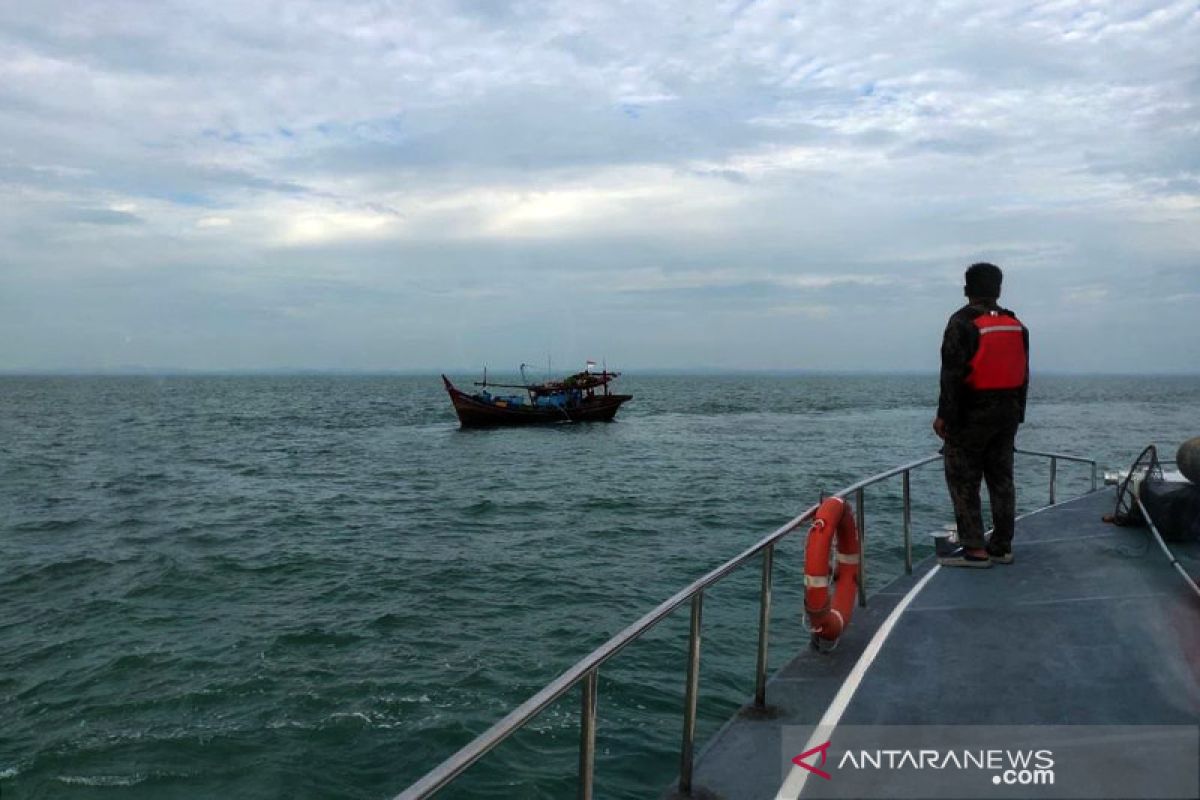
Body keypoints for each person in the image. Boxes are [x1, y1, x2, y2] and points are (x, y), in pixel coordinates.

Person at [933, 263, 1029, 568]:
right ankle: (1002, 546)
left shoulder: (961, 322)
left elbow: (952, 375)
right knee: (1002, 480)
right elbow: (1024, 375)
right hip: (1008, 414)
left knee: (963, 478)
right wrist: (1018, 416)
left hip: (971, 414)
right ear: (998, 290)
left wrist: (944, 417)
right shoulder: (1016, 325)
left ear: (966, 290)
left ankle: (974, 549)